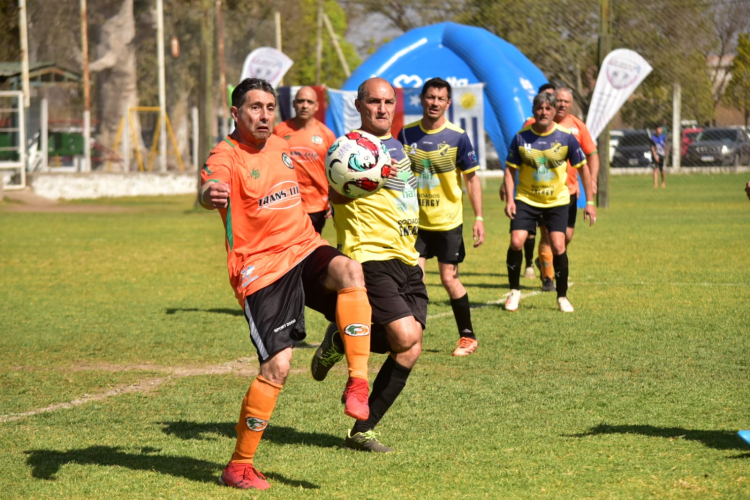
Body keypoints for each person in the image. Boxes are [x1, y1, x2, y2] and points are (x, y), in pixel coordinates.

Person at [200, 78, 374, 490]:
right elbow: (209, 186)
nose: (263, 115)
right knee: (278, 367)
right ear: (235, 113)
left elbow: (319, 183)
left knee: (352, 272)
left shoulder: (282, 144)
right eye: (254, 108)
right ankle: (239, 465)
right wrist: (212, 194)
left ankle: (358, 383)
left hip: (302, 247)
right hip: (260, 268)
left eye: (268, 107)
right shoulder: (225, 155)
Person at [310, 77, 427, 453]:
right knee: (405, 336)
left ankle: (363, 428)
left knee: (410, 348)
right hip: (370, 257)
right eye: (374, 102)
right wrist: (367, 181)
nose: (382, 108)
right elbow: (335, 194)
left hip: (406, 259)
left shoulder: (398, 147)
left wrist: (418, 254)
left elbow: (407, 203)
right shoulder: (348, 148)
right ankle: (344, 335)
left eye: (389, 101)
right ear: (359, 105)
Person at [398, 77, 483, 357]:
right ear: (421, 99)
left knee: (449, 279)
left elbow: (471, 179)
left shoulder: (457, 136)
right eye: (430, 97)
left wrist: (479, 217)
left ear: (448, 103)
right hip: (414, 223)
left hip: (447, 222)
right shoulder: (406, 134)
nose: (434, 102)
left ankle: (467, 336)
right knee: (415, 278)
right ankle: (411, 338)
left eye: (440, 99)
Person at [502, 91, 596, 313]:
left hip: (557, 201)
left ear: (554, 112)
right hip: (526, 199)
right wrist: (509, 198)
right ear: (534, 111)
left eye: (548, 108)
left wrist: (590, 201)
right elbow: (509, 169)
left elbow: (583, 168)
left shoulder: (566, 137)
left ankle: (562, 296)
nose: (543, 112)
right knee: (516, 242)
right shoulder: (521, 137)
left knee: (558, 245)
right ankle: (514, 291)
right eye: (539, 108)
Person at [534, 87, 599, 292]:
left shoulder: (577, 127)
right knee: (547, 235)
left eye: (566, 102)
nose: (562, 104)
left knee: (566, 237)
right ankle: (548, 277)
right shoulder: (536, 125)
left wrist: (592, 179)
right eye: (558, 100)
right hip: (543, 193)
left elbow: (592, 154)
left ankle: (547, 260)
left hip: (569, 191)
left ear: (571, 105)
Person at [503, 83, 557, 280]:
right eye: (541, 103)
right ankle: (528, 265)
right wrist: (505, 187)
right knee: (525, 236)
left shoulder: (566, 131)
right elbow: (512, 162)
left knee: (550, 236)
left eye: (550, 102)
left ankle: (547, 274)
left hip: (554, 195)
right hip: (527, 194)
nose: (545, 108)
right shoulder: (526, 129)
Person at [273, 86, 336, 234]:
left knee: (311, 251)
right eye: (301, 101)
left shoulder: (326, 135)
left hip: (317, 205)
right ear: (294, 104)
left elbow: (335, 171)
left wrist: (332, 201)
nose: (305, 105)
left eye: (309, 102)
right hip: (286, 202)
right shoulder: (279, 131)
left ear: (316, 106)